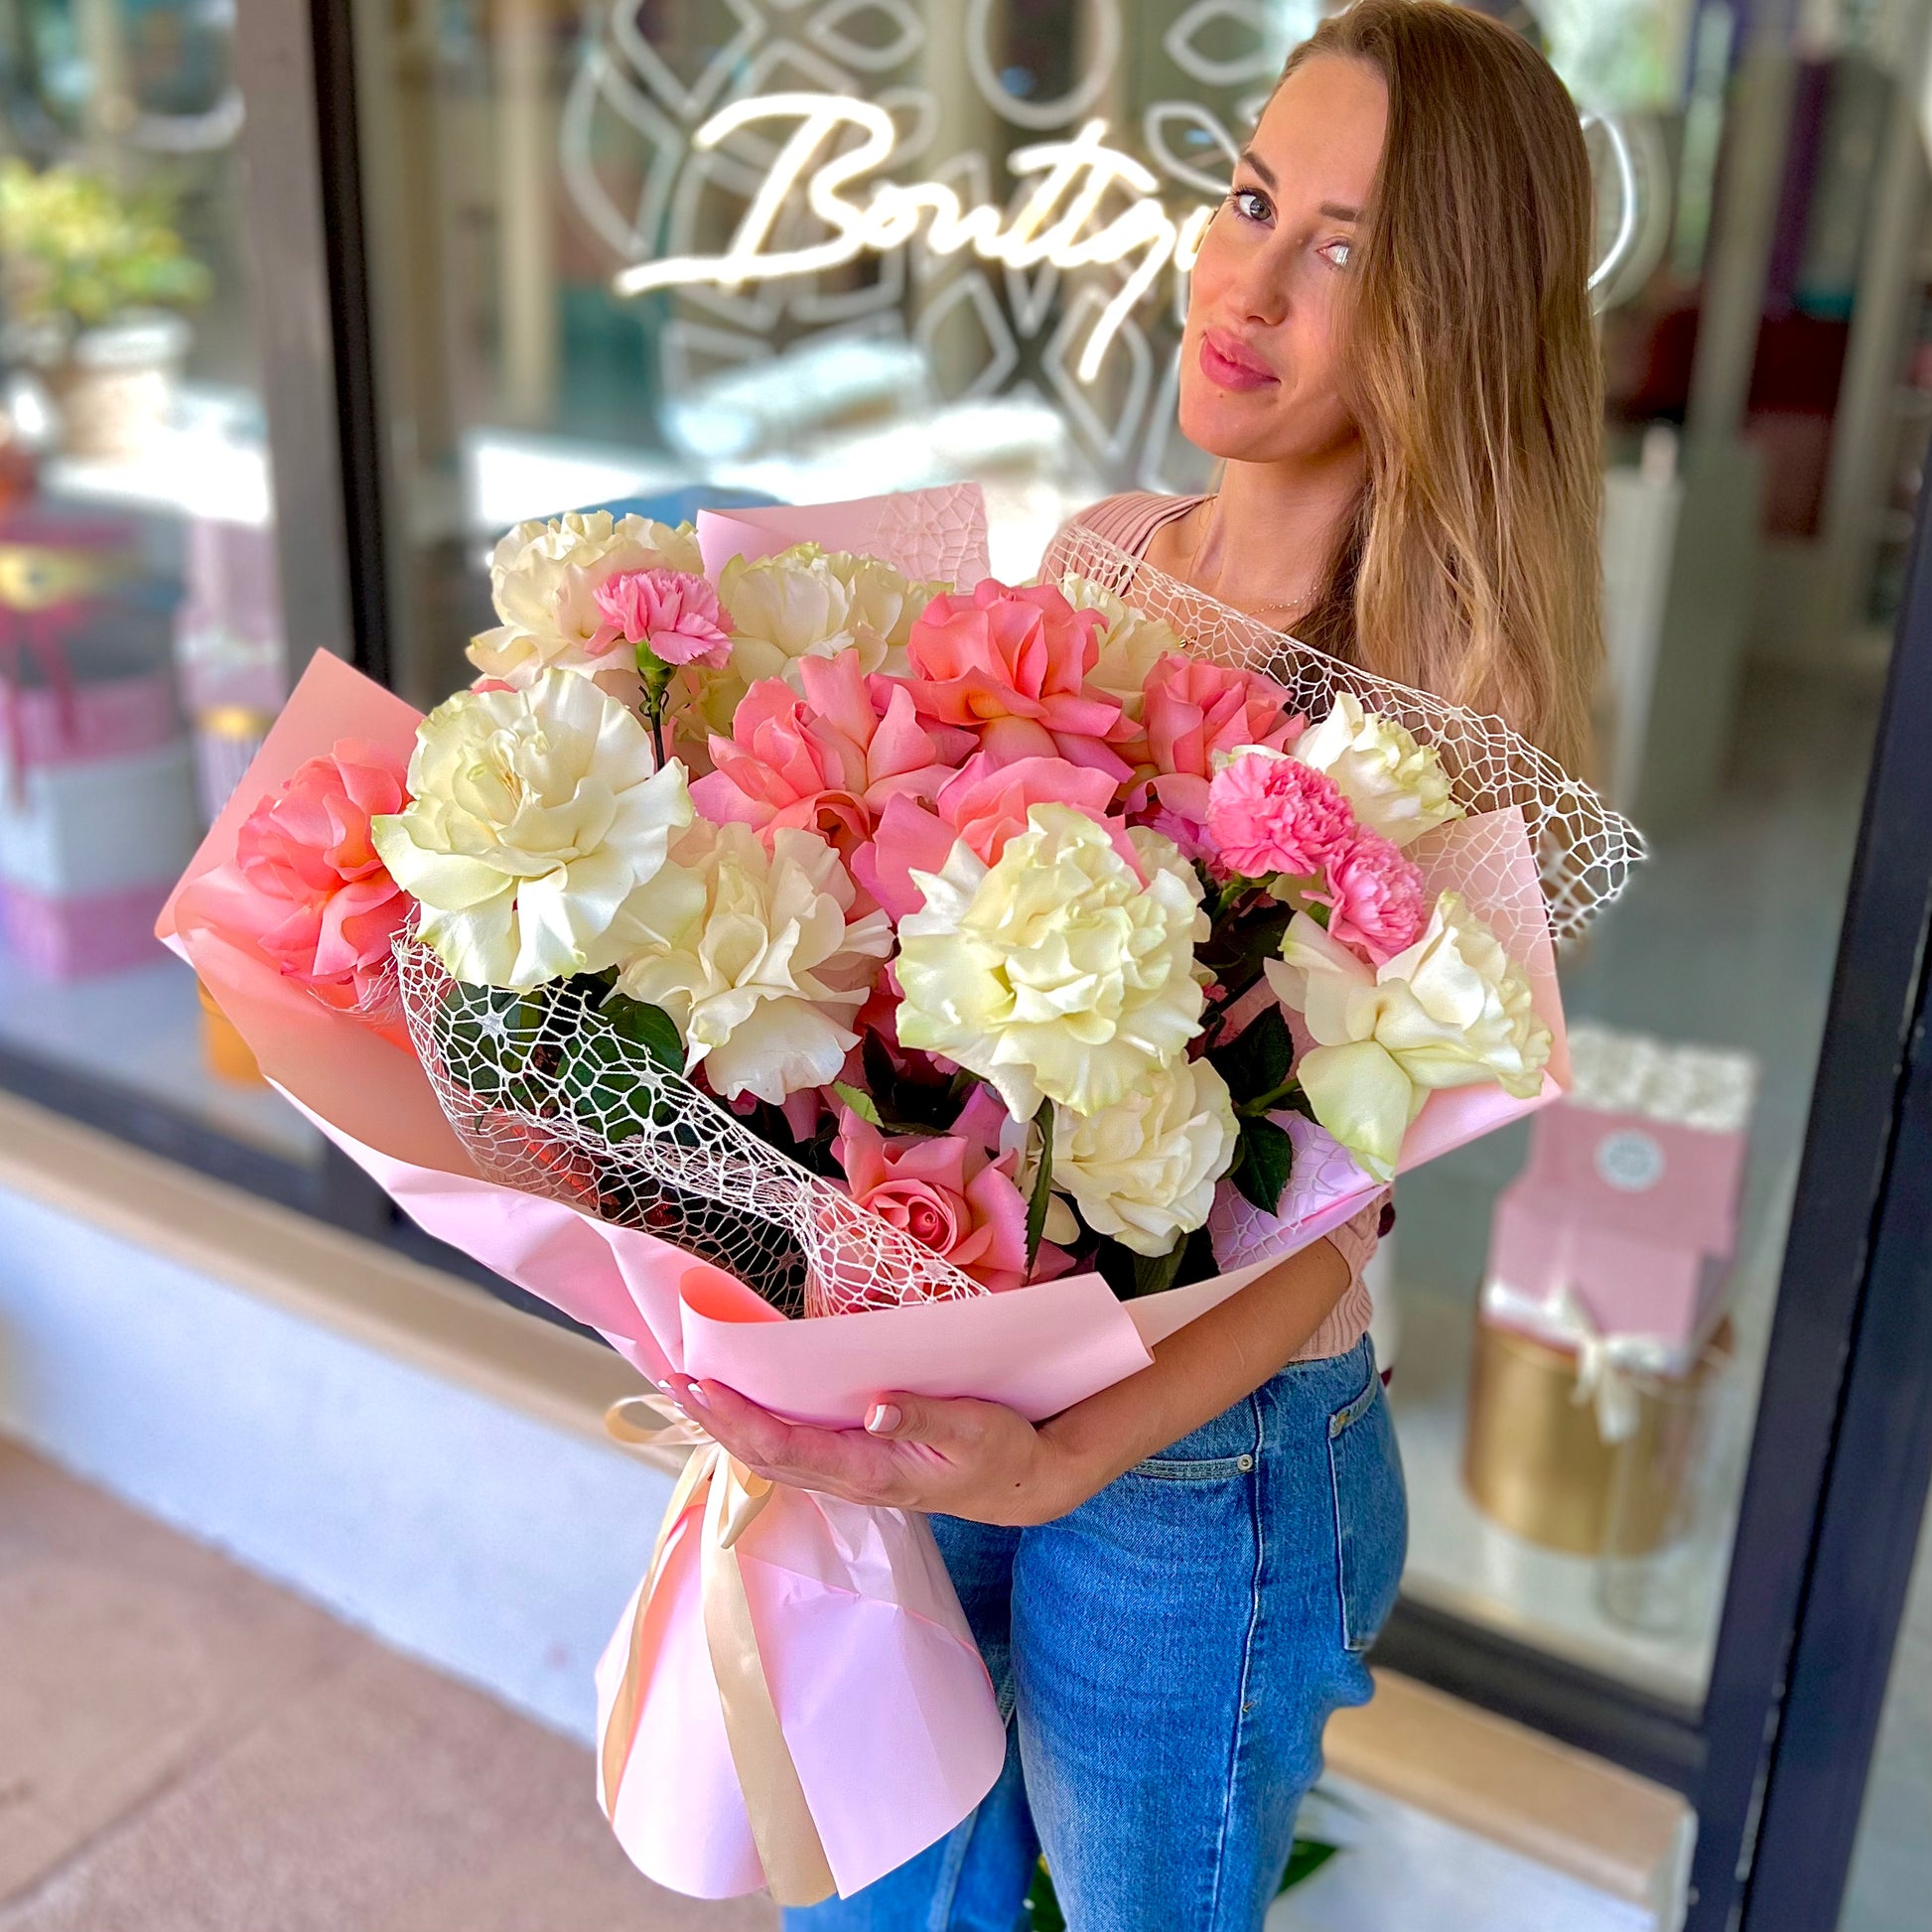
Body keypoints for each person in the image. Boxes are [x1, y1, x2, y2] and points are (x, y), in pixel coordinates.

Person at [669, 3, 1604, 1925]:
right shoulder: (1098, 558)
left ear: (1453, 313)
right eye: (1252, 196)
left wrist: (1056, 1454)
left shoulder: (1441, 713)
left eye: (1343, 248)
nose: (1243, 281)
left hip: (1208, 1452)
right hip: (977, 1349)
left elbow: (1338, 1222)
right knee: (891, 1856)